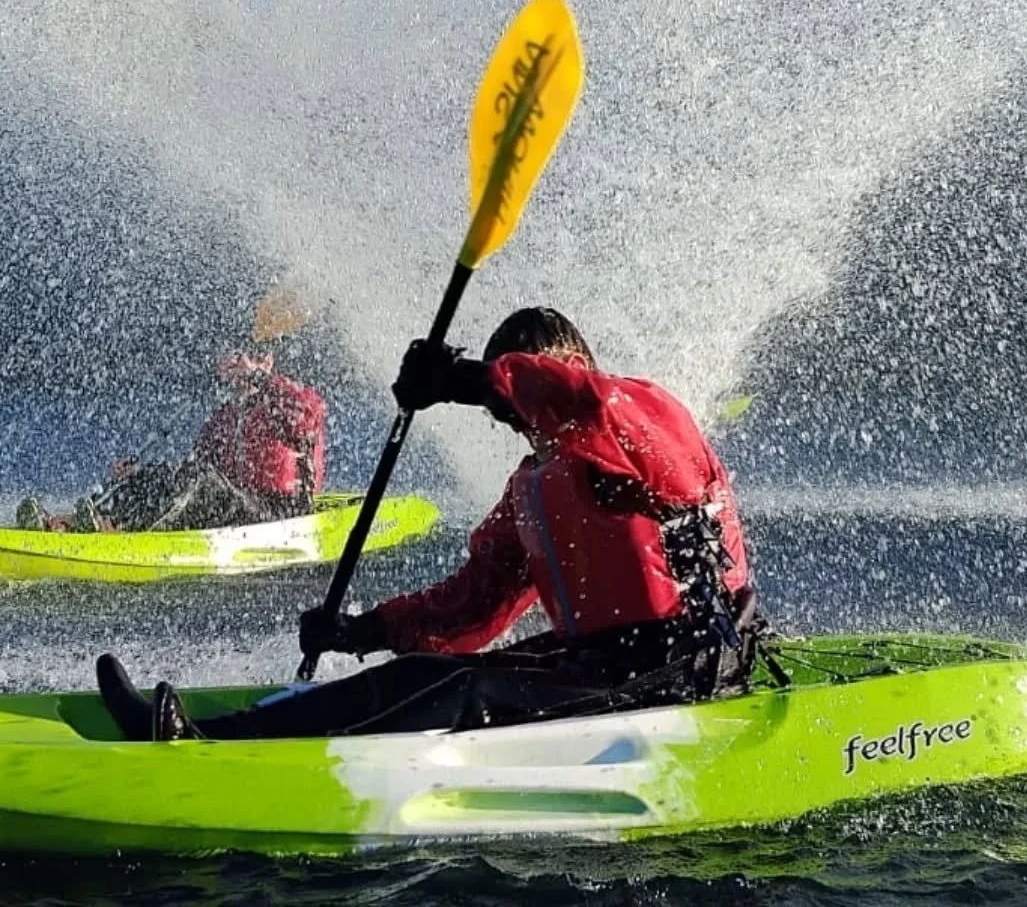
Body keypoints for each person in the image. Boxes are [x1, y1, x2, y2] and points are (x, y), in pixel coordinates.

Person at [96, 307, 770, 743]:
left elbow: (576, 398)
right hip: (603, 668)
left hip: (693, 666)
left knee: (465, 689)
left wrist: (458, 379)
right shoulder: (532, 489)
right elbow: (472, 603)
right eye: (502, 413)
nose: (514, 423)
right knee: (428, 671)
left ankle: (214, 746)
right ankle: (209, 735)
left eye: (513, 399)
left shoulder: (643, 416)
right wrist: (363, 631)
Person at [16, 350, 327, 534]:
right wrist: (136, 477)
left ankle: (117, 533)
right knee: (162, 475)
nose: (241, 366)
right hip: (236, 508)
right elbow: (189, 471)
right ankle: (71, 523)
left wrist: (260, 378)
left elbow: (310, 415)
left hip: (282, 518)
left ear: (268, 363)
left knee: (201, 480)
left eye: (252, 359)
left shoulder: (287, 401)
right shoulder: (225, 417)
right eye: (236, 358)